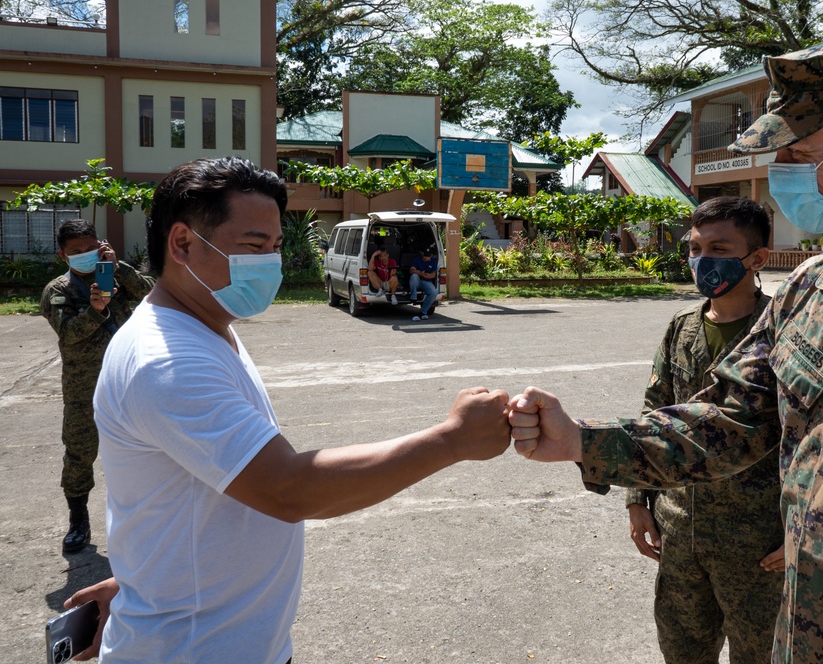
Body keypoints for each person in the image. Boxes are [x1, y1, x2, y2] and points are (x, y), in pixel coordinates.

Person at [508, 35, 823, 663]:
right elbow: (728, 421)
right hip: (807, 639)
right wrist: (581, 440)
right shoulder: (808, 289)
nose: (780, 172)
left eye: (799, 152)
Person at [64, 157, 511, 663]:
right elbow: (288, 488)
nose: (269, 263)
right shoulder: (167, 360)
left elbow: (186, 492)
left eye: (274, 248)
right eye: (254, 246)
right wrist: (451, 439)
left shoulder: (207, 325)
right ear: (183, 244)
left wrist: (141, 580)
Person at [626, 196, 783, 664]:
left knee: (761, 654)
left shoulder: (784, 327)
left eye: (718, 247)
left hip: (759, 539)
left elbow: (816, 434)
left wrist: (803, 528)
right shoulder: (682, 326)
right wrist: (638, 501)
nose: (702, 260)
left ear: (757, 259)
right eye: (694, 248)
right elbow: (655, 414)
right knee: (682, 650)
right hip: (680, 528)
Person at [40, 219, 154, 554]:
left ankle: (146, 516)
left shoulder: (113, 274)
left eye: (90, 248)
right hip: (84, 386)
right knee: (80, 452)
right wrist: (96, 309)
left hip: (129, 379)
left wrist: (117, 267)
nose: (86, 255)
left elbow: (151, 293)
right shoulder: (58, 290)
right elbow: (69, 333)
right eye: (77, 252)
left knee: (144, 448)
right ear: (64, 255)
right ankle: (78, 520)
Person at [409, 246, 438, 321]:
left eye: (428, 256)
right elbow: (412, 270)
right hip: (418, 280)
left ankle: (423, 311)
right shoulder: (417, 260)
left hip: (427, 281)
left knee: (433, 292)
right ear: (422, 254)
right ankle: (413, 297)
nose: (426, 257)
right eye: (425, 255)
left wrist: (427, 275)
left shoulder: (433, 261)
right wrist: (421, 274)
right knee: (414, 276)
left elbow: (433, 274)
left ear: (431, 255)